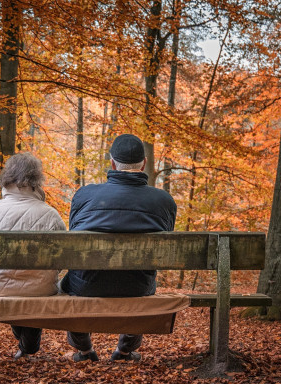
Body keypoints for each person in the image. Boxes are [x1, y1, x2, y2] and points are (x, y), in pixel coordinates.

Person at [60, 133, 177, 363]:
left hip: (87, 286)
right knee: (139, 280)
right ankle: (124, 352)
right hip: (137, 286)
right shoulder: (164, 201)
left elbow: (74, 237)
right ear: (143, 164)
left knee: (73, 280)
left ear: (112, 163)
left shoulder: (84, 196)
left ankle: (84, 351)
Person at [0, 152, 66, 360]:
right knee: (33, 289)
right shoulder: (50, 214)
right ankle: (29, 347)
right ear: (37, 180)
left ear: (7, 178)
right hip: (41, 288)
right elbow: (62, 260)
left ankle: (26, 346)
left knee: (16, 290)